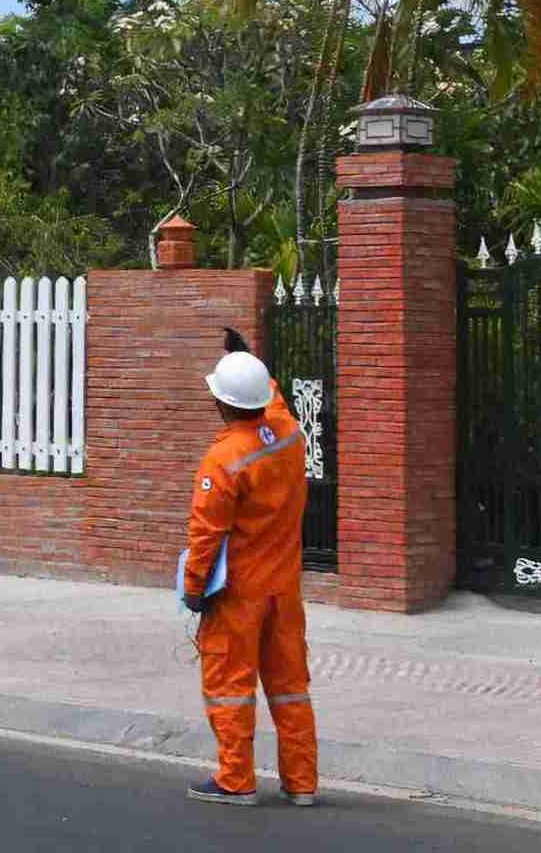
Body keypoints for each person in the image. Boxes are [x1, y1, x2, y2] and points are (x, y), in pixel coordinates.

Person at [183, 328, 319, 808]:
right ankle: (301, 783)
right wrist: (246, 358)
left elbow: (206, 536)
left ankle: (236, 780)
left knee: (230, 687)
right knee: (289, 688)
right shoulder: (288, 432)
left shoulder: (223, 459)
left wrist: (194, 589)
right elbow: (273, 400)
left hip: (239, 593)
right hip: (285, 588)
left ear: (220, 404)